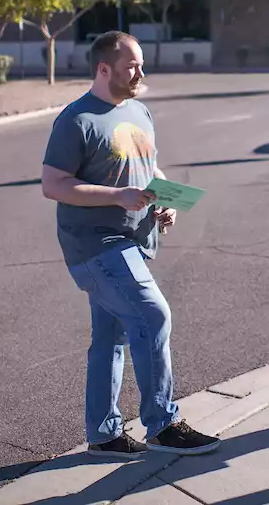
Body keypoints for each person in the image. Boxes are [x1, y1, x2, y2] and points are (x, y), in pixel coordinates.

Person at [41, 30, 220, 458]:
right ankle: (163, 424)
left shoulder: (139, 110)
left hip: (133, 241)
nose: (140, 72)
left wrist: (164, 202)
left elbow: (147, 165)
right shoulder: (76, 120)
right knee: (153, 314)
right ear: (104, 69)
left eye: (140, 64)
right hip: (95, 245)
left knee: (112, 338)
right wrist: (117, 197)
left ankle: (104, 436)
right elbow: (53, 185)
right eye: (131, 66)